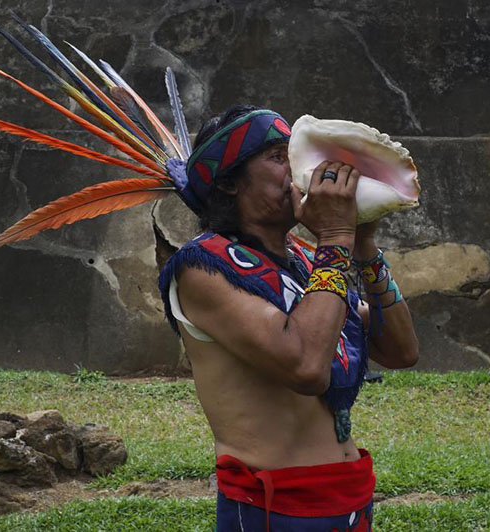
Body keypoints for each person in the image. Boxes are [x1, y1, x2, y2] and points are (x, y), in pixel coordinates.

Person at [158, 105, 419, 531]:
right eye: (279, 157)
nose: (298, 168)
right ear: (228, 183)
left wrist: (364, 247)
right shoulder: (201, 267)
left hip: (349, 496)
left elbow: (401, 350)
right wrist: (336, 239)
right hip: (274, 508)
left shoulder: (303, 259)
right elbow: (306, 367)